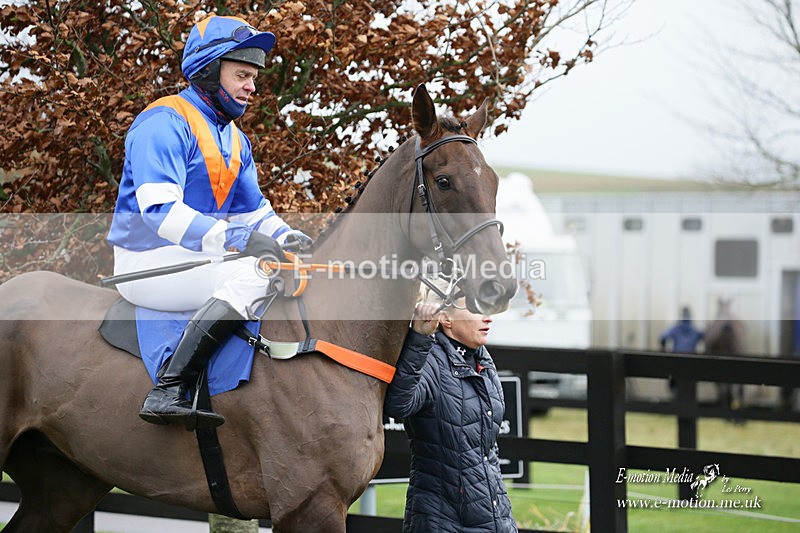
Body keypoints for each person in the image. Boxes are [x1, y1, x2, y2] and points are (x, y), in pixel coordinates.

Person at [107, 14, 311, 429]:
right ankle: (168, 388)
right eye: (241, 75)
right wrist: (237, 239)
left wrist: (286, 235)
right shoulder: (163, 122)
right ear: (207, 71)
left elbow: (253, 211)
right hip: (144, 261)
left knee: (276, 268)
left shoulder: (236, 139)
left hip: (192, 256)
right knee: (255, 273)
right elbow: (160, 210)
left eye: (253, 76)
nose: (251, 86)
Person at [384, 284, 518, 532]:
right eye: (476, 309)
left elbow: (485, 450)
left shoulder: (482, 360)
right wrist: (420, 338)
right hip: (442, 520)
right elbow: (399, 405)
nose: (487, 317)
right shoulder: (429, 358)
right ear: (444, 317)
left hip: (494, 517)